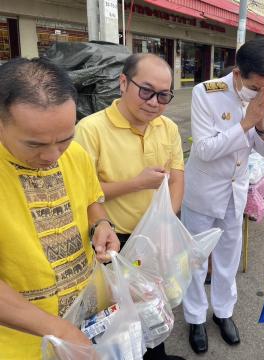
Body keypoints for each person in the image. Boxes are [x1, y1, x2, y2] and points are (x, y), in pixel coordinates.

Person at [0, 58, 120, 359]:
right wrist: (59, 329)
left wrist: (102, 226)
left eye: (64, 139)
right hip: (20, 343)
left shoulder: (76, 155)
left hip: (88, 320)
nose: (53, 155)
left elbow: (93, 201)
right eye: (34, 145)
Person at [75, 53, 185, 360]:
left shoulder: (168, 128)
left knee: (153, 305)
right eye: (146, 90)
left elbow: (177, 179)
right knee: (116, 318)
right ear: (123, 83)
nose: (154, 102)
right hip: (112, 241)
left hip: (153, 237)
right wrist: (136, 183)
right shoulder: (90, 129)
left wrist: (167, 222)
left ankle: (157, 355)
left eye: (163, 96)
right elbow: (82, 193)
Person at [181, 38, 264, 354]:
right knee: (196, 257)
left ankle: (223, 312)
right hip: (204, 191)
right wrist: (247, 121)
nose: (261, 92)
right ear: (237, 73)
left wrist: (261, 123)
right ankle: (195, 316)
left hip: (235, 191)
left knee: (227, 257)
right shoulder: (206, 93)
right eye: (255, 86)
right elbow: (205, 150)